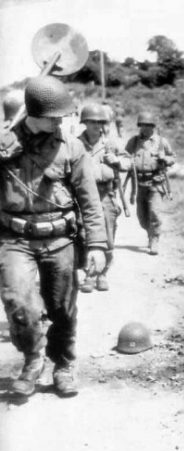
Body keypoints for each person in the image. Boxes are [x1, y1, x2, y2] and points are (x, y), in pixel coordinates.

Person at [0, 76, 107, 397]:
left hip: (60, 239)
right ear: (33, 113)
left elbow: (90, 200)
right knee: (19, 303)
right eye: (54, 116)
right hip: (15, 239)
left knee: (62, 308)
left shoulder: (71, 148)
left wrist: (98, 245)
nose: (60, 121)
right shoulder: (5, 144)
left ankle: (62, 364)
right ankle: (33, 359)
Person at [77, 103, 130, 292]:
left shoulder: (111, 144)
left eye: (100, 122)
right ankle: (89, 274)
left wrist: (117, 161)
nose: (97, 126)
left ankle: (103, 273)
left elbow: (127, 161)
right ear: (85, 122)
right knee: (84, 236)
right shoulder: (76, 144)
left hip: (105, 195)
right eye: (92, 122)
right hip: (83, 197)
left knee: (107, 237)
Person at [124, 111, 175, 255]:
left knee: (155, 212)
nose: (145, 128)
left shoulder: (161, 142)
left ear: (153, 126)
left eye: (148, 125)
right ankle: (149, 232)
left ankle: (154, 239)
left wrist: (164, 158)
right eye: (142, 125)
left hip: (156, 182)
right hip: (139, 183)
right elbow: (124, 156)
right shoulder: (133, 142)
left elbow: (173, 158)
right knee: (142, 216)